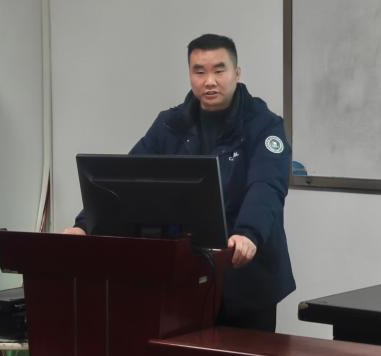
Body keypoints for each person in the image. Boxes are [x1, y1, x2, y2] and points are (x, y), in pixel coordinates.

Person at [63, 33, 295, 332]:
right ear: (189, 75)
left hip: (246, 276)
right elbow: (125, 180)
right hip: (186, 277)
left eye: (219, 70)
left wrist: (248, 233)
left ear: (237, 73)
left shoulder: (264, 124)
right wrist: (85, 225)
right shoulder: (170, 125)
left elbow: (266, 185)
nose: (209, 81)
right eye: (199, 71)